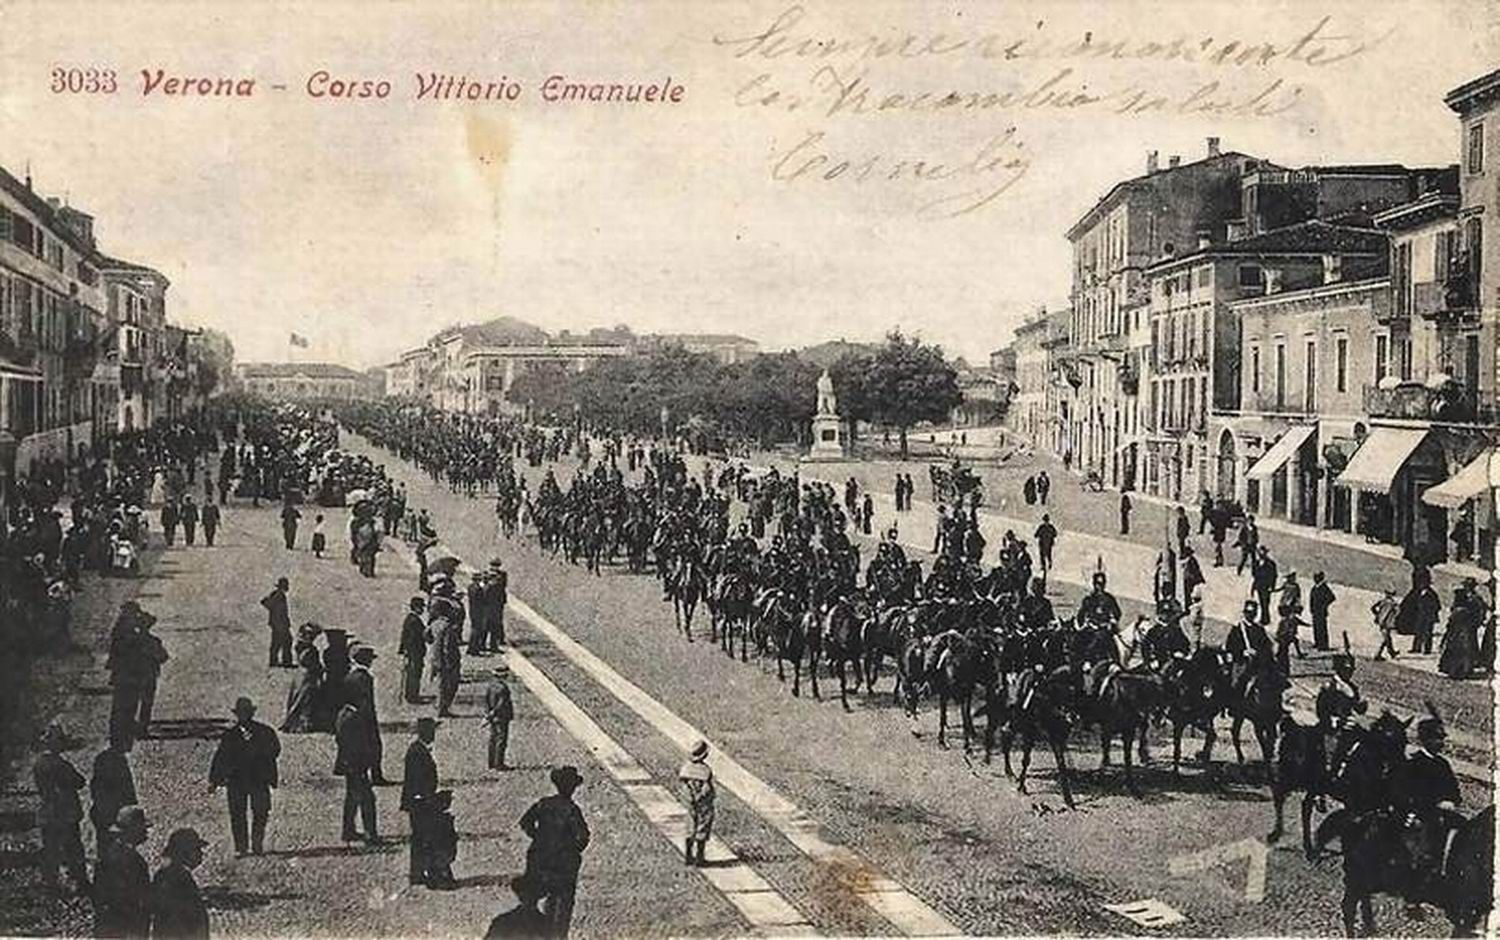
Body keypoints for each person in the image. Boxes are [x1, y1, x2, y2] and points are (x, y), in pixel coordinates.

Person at [1395, 716, 1462, 908]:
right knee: (1425, 849)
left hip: (1445, 814)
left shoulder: (1443, 764)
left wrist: (1451, 801)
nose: (1440, 743)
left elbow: (1455, 792)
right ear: (1425, 739)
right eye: (1436, 738)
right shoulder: (1414, 763)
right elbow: (1407, 793)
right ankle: (1412, 895)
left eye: (1442, 739)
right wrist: (1432, 805)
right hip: (1422, 814)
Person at [520, 767, 591, 938]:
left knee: (540, 899)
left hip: (540, 857)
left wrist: (538, 837)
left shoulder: (544, 803)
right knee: (563, 902)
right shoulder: (572, 809)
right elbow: (583, 836)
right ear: (572, 788)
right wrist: (571, 850)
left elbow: (525, 822)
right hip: (563, 862)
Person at [209, 696, 281, 857]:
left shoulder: (265, 732)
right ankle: (241, 847)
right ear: (237, 716)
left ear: (251, 714)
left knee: (261, 812)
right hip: (237, 780)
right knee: (237, 813)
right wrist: (214, 780)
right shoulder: (230, 735)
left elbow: (275, 749)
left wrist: (262, 757)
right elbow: (221, 757)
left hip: (258, 779)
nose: (244, 717)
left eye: (246, 713)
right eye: (241, 714)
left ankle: (257, 845)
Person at [34, 722, 90, 895]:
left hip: (47, 812)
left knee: (50, 848)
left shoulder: (39, 764)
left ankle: (50, 883)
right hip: (65, 812)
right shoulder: (61, 765)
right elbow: (79, 782)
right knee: (73, 847)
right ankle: (80, 882)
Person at [401, 717, 446, 888]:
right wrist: (427, 798)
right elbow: (416, 780)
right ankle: (421, 873)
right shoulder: (417, 752)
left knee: (420, 838)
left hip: (419, 801)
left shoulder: (418, 749)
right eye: (432, 731)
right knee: (422, 838)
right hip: (419, 802)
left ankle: (418, 873)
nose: (434, 734)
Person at [95, 804, 151, 938]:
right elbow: (122, 900)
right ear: (131, 830)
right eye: (142, 828)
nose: (146, 832)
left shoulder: (115, 853)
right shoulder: (125, 859)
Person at [150, 828, 210, 940]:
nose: (201, 854)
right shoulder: (180, 879)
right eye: (196, 849)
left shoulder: (165, 874)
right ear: (184, 852)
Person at [335, 702, 381, 844]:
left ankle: (348, 830)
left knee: (351, 798)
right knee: (367, 800)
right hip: (356, 766)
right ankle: (370, 835)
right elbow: (360, 744)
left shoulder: (343, 714)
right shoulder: (354, 718)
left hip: (348, 765)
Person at [344, 644, 387, 785]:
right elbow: (367, 701)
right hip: (365, 716)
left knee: (360, 746)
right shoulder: (364, 678)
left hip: (352, 715)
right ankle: (376, 776)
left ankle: (364, 774)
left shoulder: (350, 676)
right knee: (374, 746)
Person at [90, 735, 137, 860]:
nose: (132, 743)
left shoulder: (102, 758)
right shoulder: (119, 761)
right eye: (129, 740)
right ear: (122, 742)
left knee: (104, 848)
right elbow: (127, 791)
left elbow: (94, 786)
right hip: (113, 813)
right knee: (117, 850)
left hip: (100, 812)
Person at [678, 741, 715, 867]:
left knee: (690, 826)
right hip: (703, 803)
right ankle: (700, 857)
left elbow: (684, 787)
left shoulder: (686, 768)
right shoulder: (705, 770)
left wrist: (690, 798)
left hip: (689, 802)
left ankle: (688, 855)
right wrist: (700, 797)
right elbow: (707, 788)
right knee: (702, 826)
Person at [1438, 578, 1484, 679]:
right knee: (1467, 649)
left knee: (1460, 650)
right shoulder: (1470, 602)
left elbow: (1451, 624)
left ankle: (1456, 669)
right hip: (1466, 630)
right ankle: (1466, 668)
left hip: (1462, 631)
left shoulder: (1472, 600)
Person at [484, 875, 549, 939]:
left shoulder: (545, 924)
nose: (528, 898)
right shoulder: (503, 922)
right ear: (519, 894)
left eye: (532, 894)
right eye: (524, 893)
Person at [1398, 566, 1442, 655]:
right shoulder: (1419, 593)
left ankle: (1427, 650)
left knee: (1427, 633)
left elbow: (1438, 606)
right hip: (1421, 615)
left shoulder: (1431, 594)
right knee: (1418, 631)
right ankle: (1416, 648)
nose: (1421, 585)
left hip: (1428, 617)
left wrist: (1431, 613)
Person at [485, 665, 515, 771]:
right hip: (502, 717)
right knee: (501, 740)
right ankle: (499, 764)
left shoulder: (490, 686)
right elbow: (501, 704)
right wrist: (493, 713)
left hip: (493, 717)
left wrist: (488, 714)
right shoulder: (503, 689)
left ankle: (491, 763)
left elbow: (486, 700)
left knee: (492, 739)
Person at [399, 598, 428, 704]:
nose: (423, 610)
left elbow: (404, 636)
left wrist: (403, 649)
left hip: (412, 651)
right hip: (415, 651)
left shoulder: (410, 618)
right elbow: (412, 638)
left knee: (412, 673)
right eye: (421, 607)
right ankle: (412, 696)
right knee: (414, 673)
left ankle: (411, 694)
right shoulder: (414, 621)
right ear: (417, 607)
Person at [262, 577, 294, 668]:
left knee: (277, 643)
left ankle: (274, 662)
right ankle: (286, 662)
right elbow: (272, 606)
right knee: (286, 642)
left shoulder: (277, 594)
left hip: (277, 624)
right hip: (280, 624)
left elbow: (268, 604)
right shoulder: (279, 595)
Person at [1251, 546, 1278, 626]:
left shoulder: (1270, 564)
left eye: (1263, 553)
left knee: (1265, 602)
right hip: (1259, 585)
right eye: (1260, 553)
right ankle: (1264, 618)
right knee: (1261, 602)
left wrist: (1272, 586)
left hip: (1266, 585)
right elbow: (1254, 574)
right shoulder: (1256, 562)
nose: (1261, 555)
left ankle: (1265, 619)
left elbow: (1274, 576)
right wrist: (1253, 586)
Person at [1372, 587, 1401, 661]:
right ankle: (1378, 654)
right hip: (1388, 623)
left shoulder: (1382, 601)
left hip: (1381, 622)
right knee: (1386, 639)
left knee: (1387, 638)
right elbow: (1398, 612)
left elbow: (1373, 608)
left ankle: (1391, 653)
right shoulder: (1393, 603)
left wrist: (1378, 615)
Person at [1308, 571, 1335, 651]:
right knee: (1316, 627)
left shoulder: (1324, 587)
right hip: (1315, 611)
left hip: (1321, 611)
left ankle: (1323, 645)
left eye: (1316, 577)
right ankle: (1317, 643)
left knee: (1322, 628)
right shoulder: (1314, 588)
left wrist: (1324, 605)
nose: (1314, 579)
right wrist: (1311, 608)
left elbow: (1332, 597)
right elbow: (1311, 599)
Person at [1180, 545, 1204, 610]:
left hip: (1191, 580)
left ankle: (1189, 606)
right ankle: (1188, 605)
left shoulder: (1192, 560)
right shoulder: (1189, 560)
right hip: (1188, 579)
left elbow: (1196, 570)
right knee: (1187, 593)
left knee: (1189, 593)